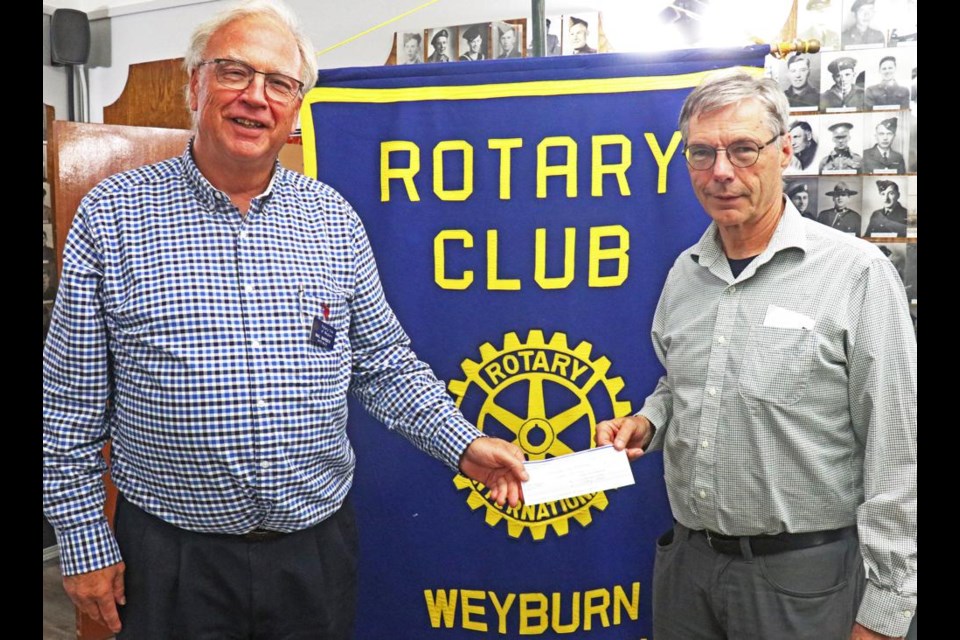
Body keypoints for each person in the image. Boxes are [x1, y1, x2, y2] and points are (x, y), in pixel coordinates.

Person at [42, 2, 528, 638]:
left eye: (279, 83)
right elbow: (67, 407)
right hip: (170, 559)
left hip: (313, 555)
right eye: (234, 73)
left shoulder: (333, 220)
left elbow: (383, 365)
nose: (255, 98)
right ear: (194, 85)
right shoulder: (113, 216)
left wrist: (463, 444)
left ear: (297, 107)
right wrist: (82, 544)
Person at [597, 70, 915, 640]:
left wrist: (887, 614)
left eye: (743, 149)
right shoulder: (686, 273)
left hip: (804, 580)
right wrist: (648, 421)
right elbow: (681, 382)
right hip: (688, 572)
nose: (721, 171)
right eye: (702, 153)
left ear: (785, 150)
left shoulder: (855, 273)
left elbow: (900, 449)